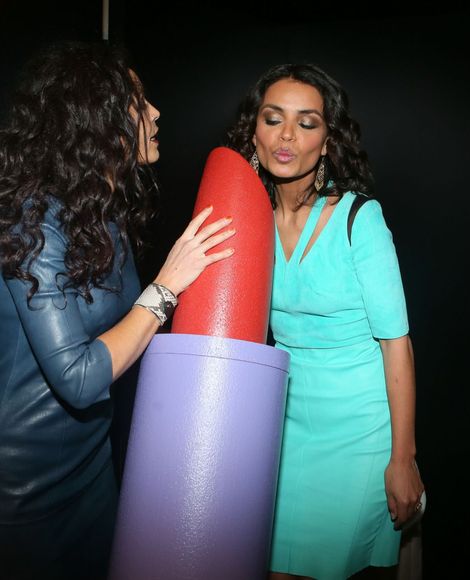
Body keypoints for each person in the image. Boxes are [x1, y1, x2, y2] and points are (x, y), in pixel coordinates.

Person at [0, 42, 235, 580]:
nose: (155, 113)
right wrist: (165, 287)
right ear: (93, 116)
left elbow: (128, 336)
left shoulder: (102, 217)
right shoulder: (32, 221)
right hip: (24, 494)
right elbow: (81, 378)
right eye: (138, 102)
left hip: (91, 473)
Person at [226, 63, 424, 580]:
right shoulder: (248, 219)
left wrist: (402, 459)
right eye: (274, 119)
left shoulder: (362, 219)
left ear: (328, 140)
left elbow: (396, 344)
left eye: (307, 122)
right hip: (284, 427)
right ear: (255, 132)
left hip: (358, 431)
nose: (288, 135)